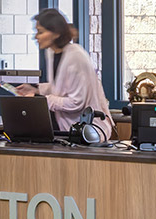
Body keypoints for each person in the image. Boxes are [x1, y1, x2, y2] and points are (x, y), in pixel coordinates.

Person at [15, 8, 113, 138]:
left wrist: (40, 100)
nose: (36, 37)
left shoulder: (76, 56)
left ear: (56, 33)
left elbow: (76, 103)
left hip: (89, 131)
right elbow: (60, 87)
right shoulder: (51, 52)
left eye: (40, 32)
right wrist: (36, 89)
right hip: (67, 128)